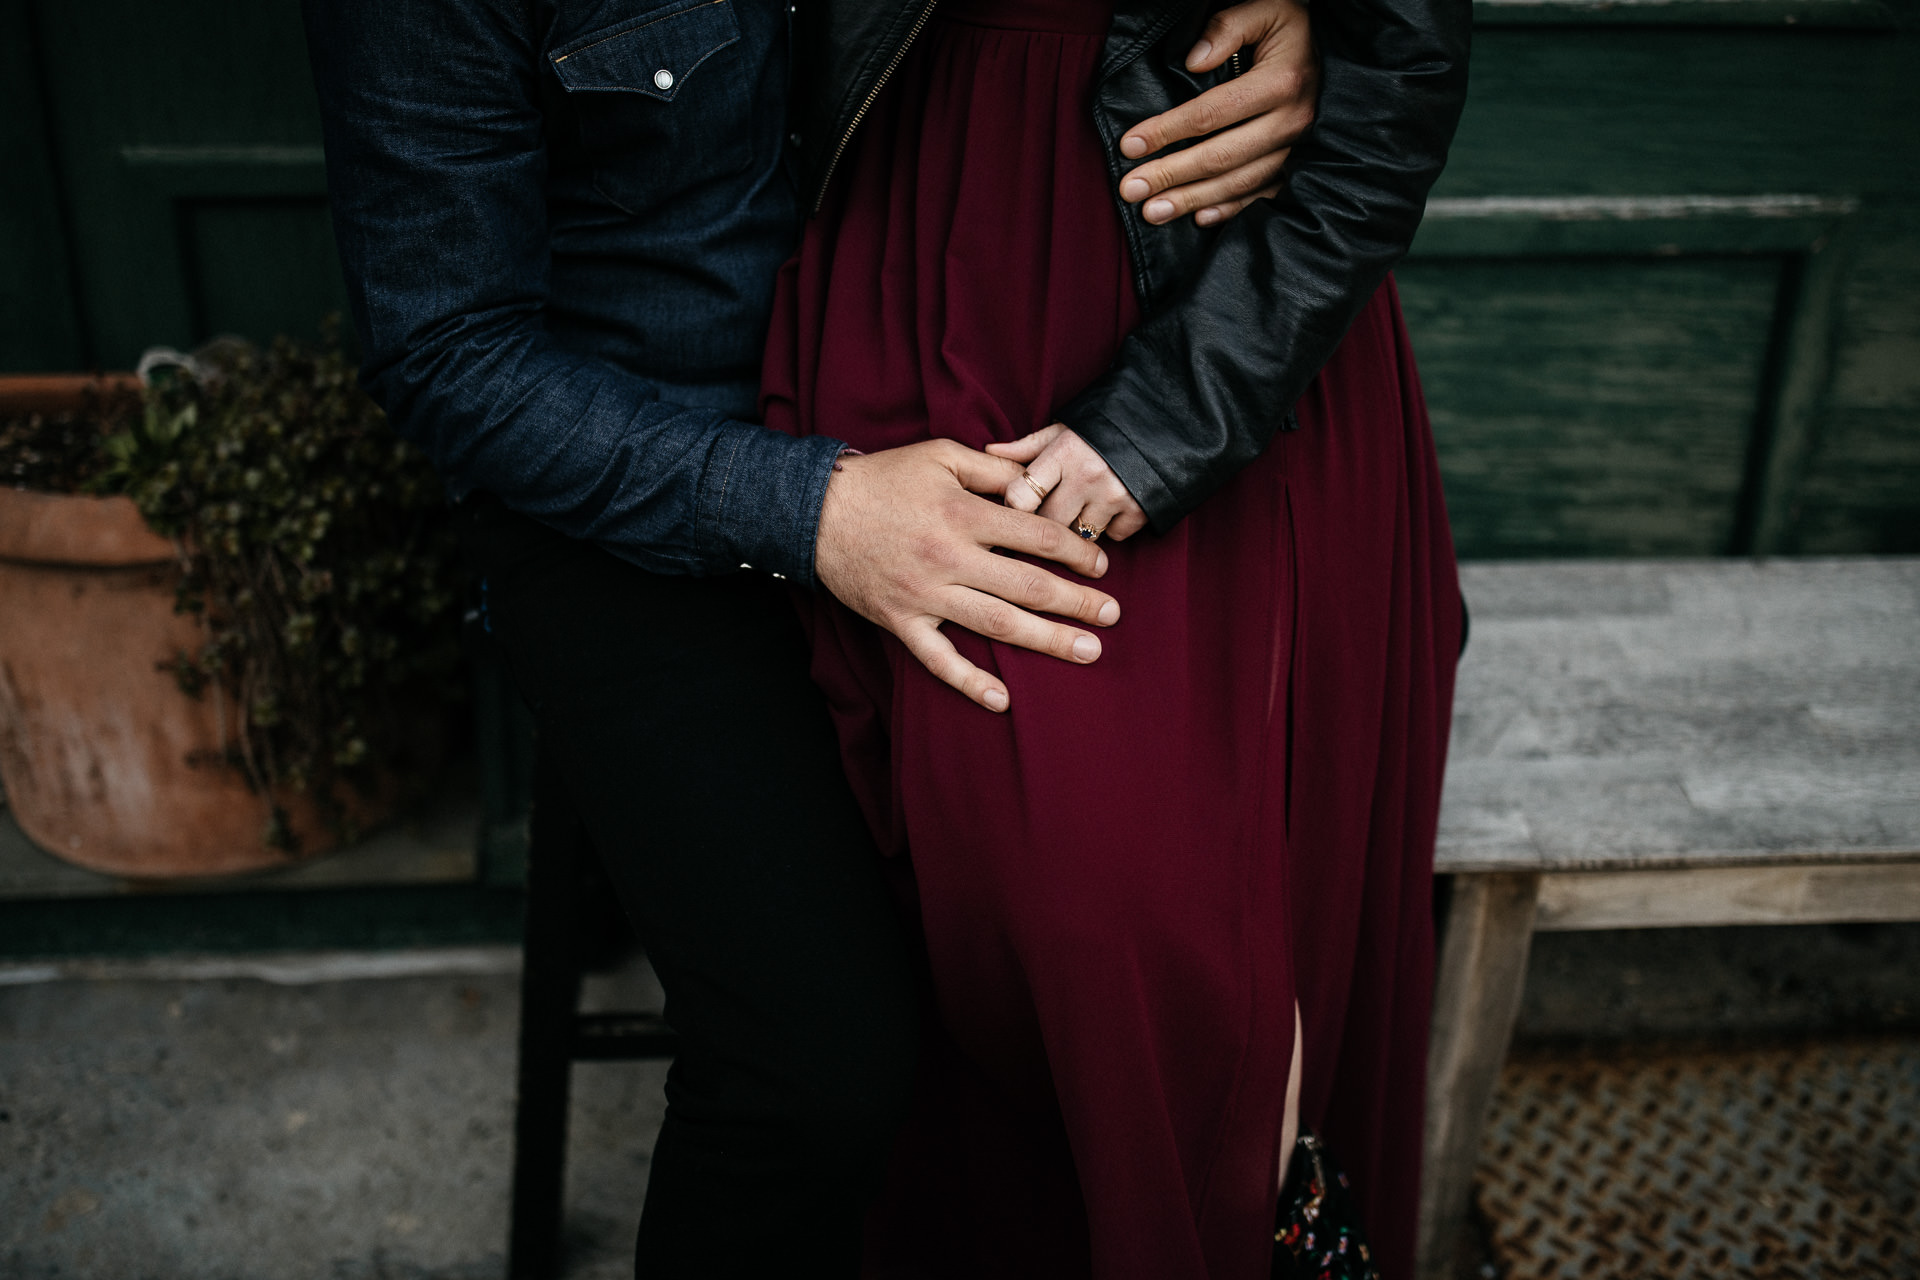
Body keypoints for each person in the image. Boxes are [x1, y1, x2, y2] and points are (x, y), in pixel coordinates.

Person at [298, 0, 1320, 1273]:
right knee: (815, 1065)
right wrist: (817, 509)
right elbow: (450, 351)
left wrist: (1286, 26)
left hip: (939, 373)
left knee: (1108, 897)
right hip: (633, 484)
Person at [758, 0, 1469, 1271]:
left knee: (1174, 954)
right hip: (921, 255)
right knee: (993, 921)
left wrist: (1175, 413)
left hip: (1233, 311)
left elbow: (1406, 51)